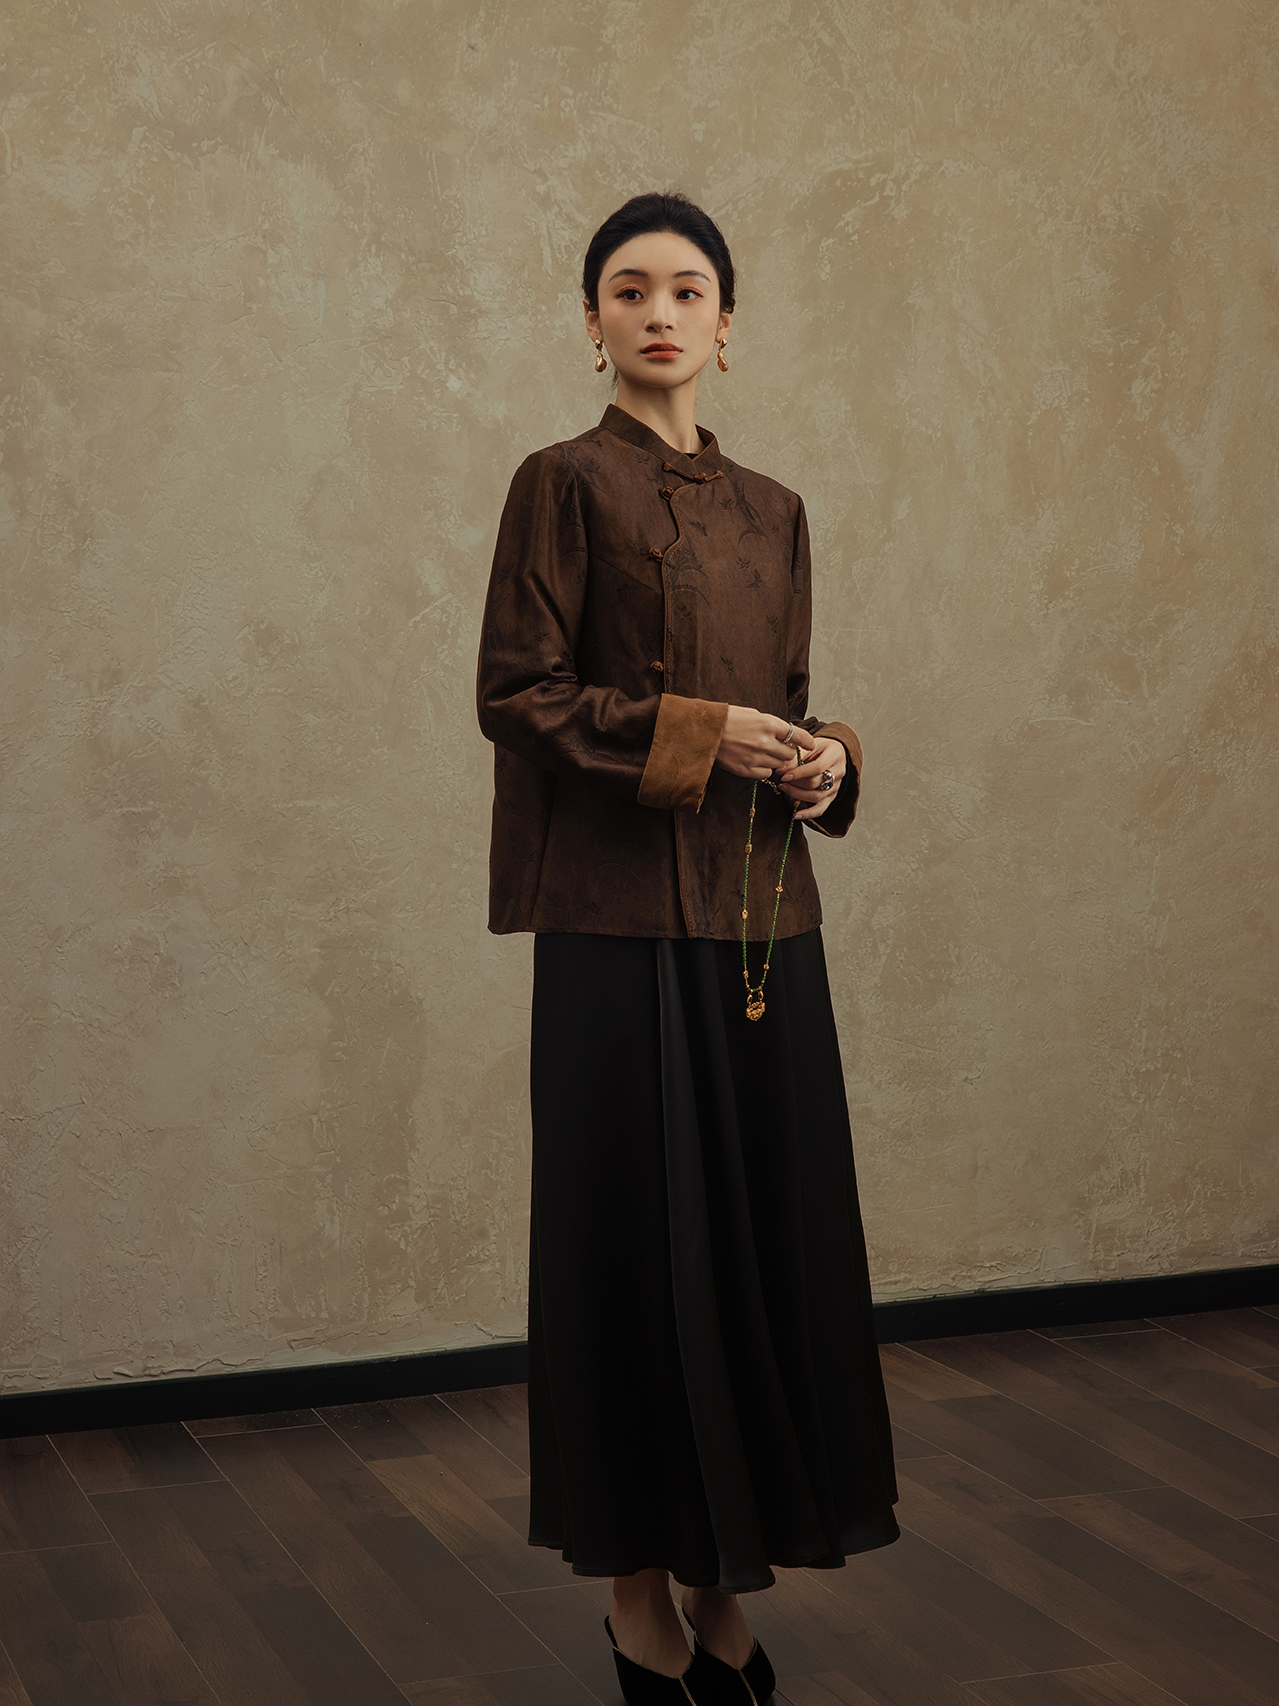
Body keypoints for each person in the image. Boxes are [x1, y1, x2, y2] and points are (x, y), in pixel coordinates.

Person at [476, 191, 899, 1705]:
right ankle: (634, 1595)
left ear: (730, 325)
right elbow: (517, 694)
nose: (659, 311)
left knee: (759, 1250)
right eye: (628, 287)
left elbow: (787, 690)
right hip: (612, 926)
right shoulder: (560, 484)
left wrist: (827, 754)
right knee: (633, 1254)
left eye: (688, 289)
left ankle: (725, 1581)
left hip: (761, 919)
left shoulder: (777, 509)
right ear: (590, 319)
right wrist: (698, 733)